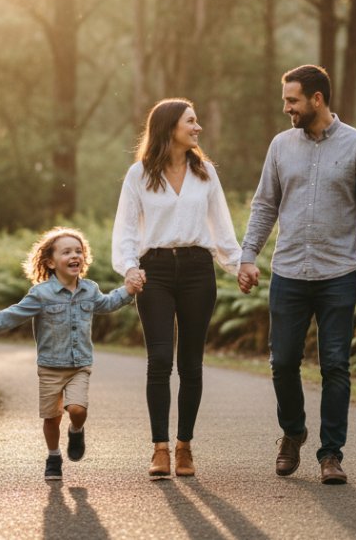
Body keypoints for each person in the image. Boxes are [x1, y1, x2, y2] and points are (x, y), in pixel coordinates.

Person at [238, 64, 356, 485]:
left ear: (317, 99)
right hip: (288, 271)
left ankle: (330, 455)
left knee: (336, 365)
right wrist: (248, 255)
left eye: (292, 100)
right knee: (283, 362)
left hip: (338, 272)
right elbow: (264, 205)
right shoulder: (280, 146)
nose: (286, 107)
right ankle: (293, 432)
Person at [112, 98, 243, 478]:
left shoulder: (205, 174)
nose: (197, 128)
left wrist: (237, 267)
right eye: (191, 121)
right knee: (159, 360)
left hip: (198, 270)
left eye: (197, 121)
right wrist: (129, 268)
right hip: (154, 272)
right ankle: (160, 449)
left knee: (191, 363)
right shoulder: (139, 175)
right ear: (170, 127)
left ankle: (184, 446)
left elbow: (221, 226)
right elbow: (125, 230)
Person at [0, 226, 140, 481]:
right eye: (67, 251)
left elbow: (107, 303)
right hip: (50, 366)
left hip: (79, 364)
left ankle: (77, 430)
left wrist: (128, 291)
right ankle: (53, 456)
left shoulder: (90, 290)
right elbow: (13, 314)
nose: (75, 256)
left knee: (77, 409)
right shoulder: (41, 294)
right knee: (51, 417)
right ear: (50, 261)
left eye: (79, 251)